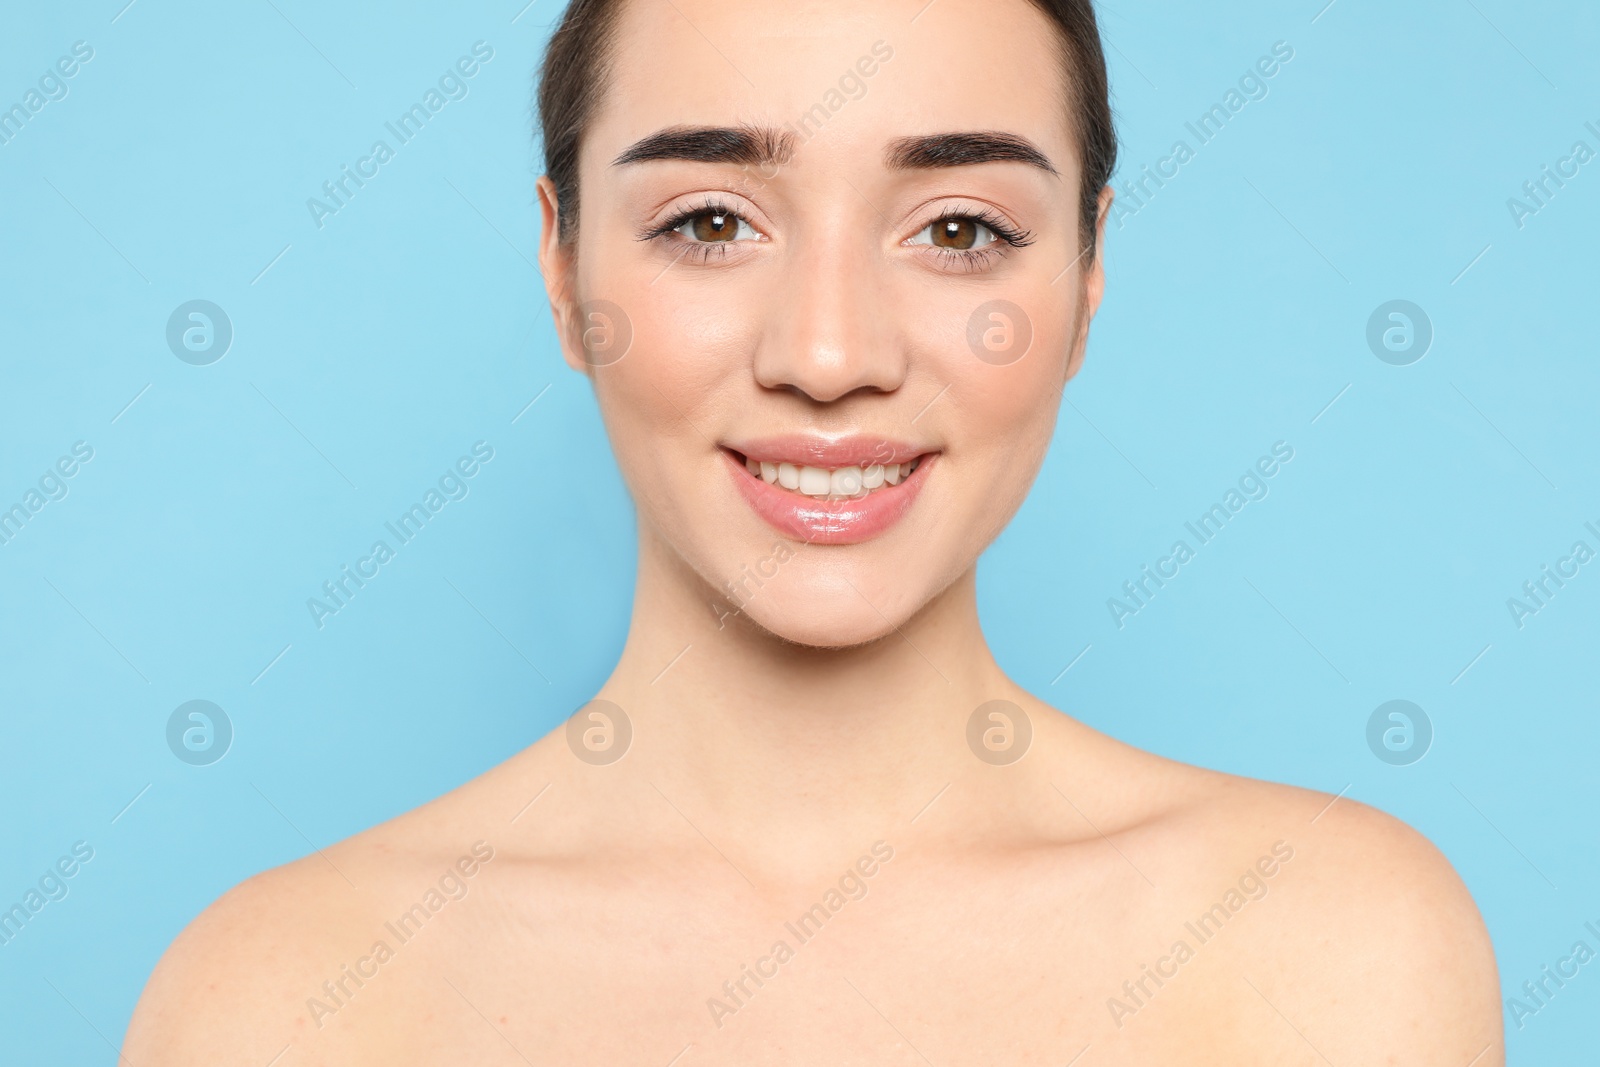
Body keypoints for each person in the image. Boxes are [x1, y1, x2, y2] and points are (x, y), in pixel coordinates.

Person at [125, 0, 1503, 1061]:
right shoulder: (283, 1003)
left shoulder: (1330, 955)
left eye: (960, 229)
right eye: (713, 220)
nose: (830, 352)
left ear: (1087, 280)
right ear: (561, 268)